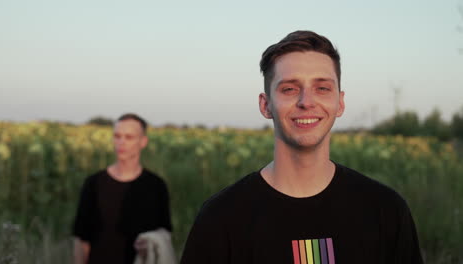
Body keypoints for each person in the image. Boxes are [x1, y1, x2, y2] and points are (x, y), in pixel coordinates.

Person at [180, 31, 423, 263]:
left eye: (322, 88)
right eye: (289, 89)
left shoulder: (386, 210)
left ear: (340, 102)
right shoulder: (220, 217)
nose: (306, 102)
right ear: (266, 105)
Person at [73, 113, 172, 264]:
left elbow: (164, 233)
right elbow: (82, 239)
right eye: (117, 136)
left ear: (143, 141)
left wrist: (150, 243)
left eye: (129, 137)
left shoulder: (156, 186)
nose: (121, 142)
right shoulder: (93, 183)